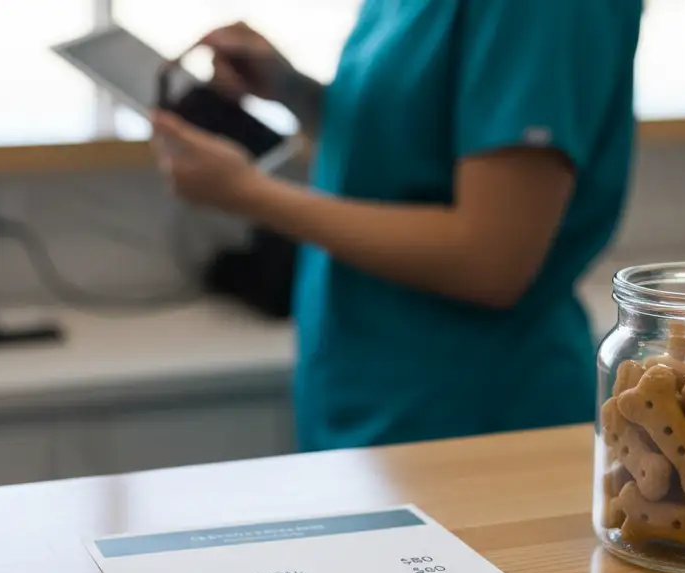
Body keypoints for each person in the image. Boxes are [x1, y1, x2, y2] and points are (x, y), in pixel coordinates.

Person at [151, 0, 643, 451]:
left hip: (469, 416)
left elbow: (491, 260)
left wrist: (248, 193)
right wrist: (290, 89)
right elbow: (400, 149)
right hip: (363, 396)